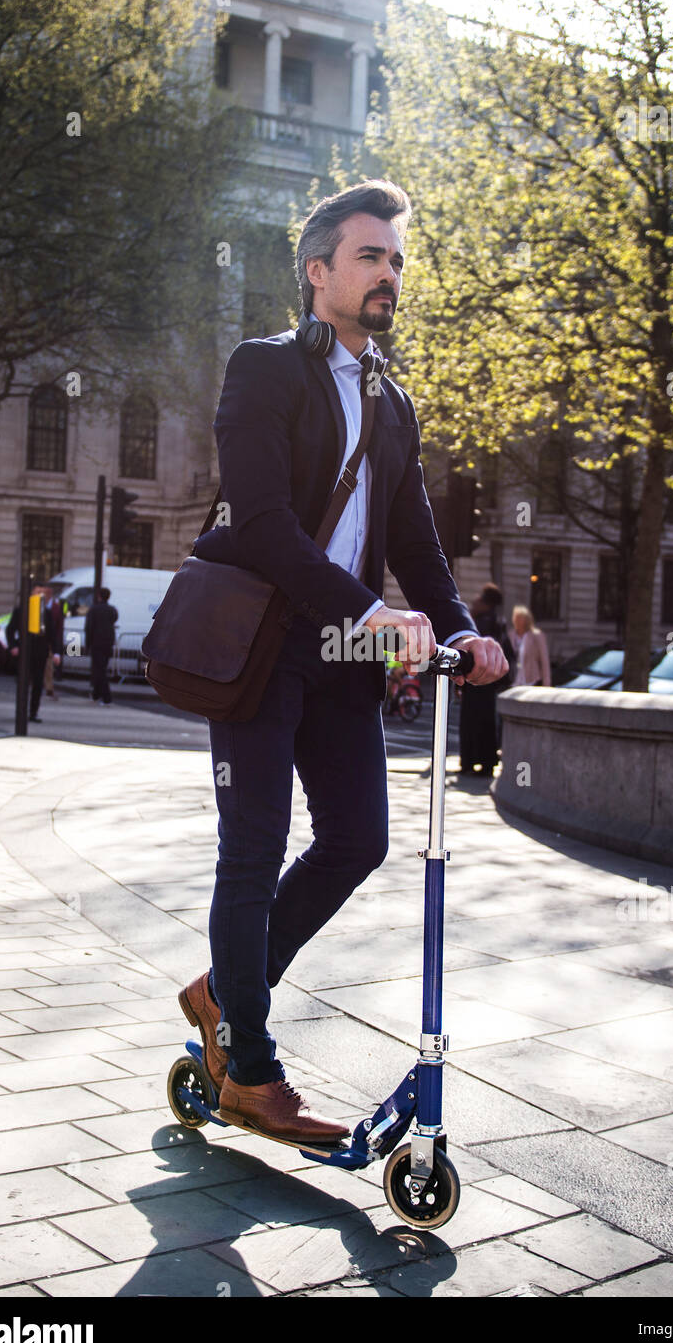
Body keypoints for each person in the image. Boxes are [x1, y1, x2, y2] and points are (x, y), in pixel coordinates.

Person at [177, 179, 508, 1146]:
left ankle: (223, 991)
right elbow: (264, 521)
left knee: (358, 838)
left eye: (397, 260)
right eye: (370, 257)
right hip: (258, 645)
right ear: (317, 271)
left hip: (341, 656)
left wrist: (462, 631)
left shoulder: (393, 404)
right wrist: (370, 610)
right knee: (254, 849)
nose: (388, 274)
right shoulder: (264, 369)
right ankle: (250, 1066)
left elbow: (417, 539)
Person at [457, 582, 513, 777]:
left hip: (476, 680)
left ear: (487, 603)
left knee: (473, 722)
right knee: (486, 723)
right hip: (489, 683)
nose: (475, 600)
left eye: (480, 597)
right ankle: (485, 762)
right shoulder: (499, 623)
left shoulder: (480, 624)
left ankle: (470, 761)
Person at [7, 583, 62, 722]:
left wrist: (56, 652)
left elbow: (52, 634)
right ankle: (21, 711)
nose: (40, 596)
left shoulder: (46, 613)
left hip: (40, 652)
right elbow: (10, 629)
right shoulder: (21, 610)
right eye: (37, 592)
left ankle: (33, 712)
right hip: (25, 651)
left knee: (38, 683)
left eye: (42, 593)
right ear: (31, 594)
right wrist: (13, 646)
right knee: (23, 682)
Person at [84, 587, 118, 705]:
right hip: (108, 643)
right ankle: (96, 695)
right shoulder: (112, 610)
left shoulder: (94, 609)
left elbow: (89, 627)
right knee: (101, 668)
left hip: (96, 642)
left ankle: (106, 697)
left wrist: (87, 644)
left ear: (99, 596)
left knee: (100, 670)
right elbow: (114, 619)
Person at [509, 604, 551, 687]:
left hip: (531, 679)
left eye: (519, 618)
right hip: (515, 680)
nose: (516, 620)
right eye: (515, 617)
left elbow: (544, 660)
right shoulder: (511, 634)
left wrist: (546, 683)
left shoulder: (537, 635)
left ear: (526, 620)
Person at [43, 589, 65, 697]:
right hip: (42, 639)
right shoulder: (40, 605)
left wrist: (57, 646)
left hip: (50, 640)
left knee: (49, 666)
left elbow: (59, 626)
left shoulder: (56, 607)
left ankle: (49, 687)